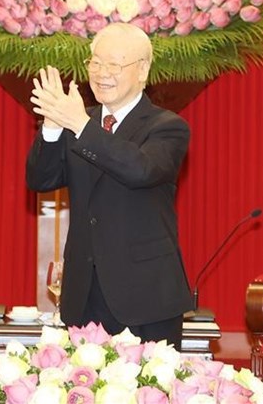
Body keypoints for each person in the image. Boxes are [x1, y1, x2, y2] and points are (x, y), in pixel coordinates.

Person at [26, 23, 192, 349]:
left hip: (146, 295)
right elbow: (41, 179)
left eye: (114, 65)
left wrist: (80, 125)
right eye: (96, 63)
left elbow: (140, 170)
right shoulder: (79, 120)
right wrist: (51, 126)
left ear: (142, 70)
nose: (101, 73)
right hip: (83, 292)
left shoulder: (168, 126)